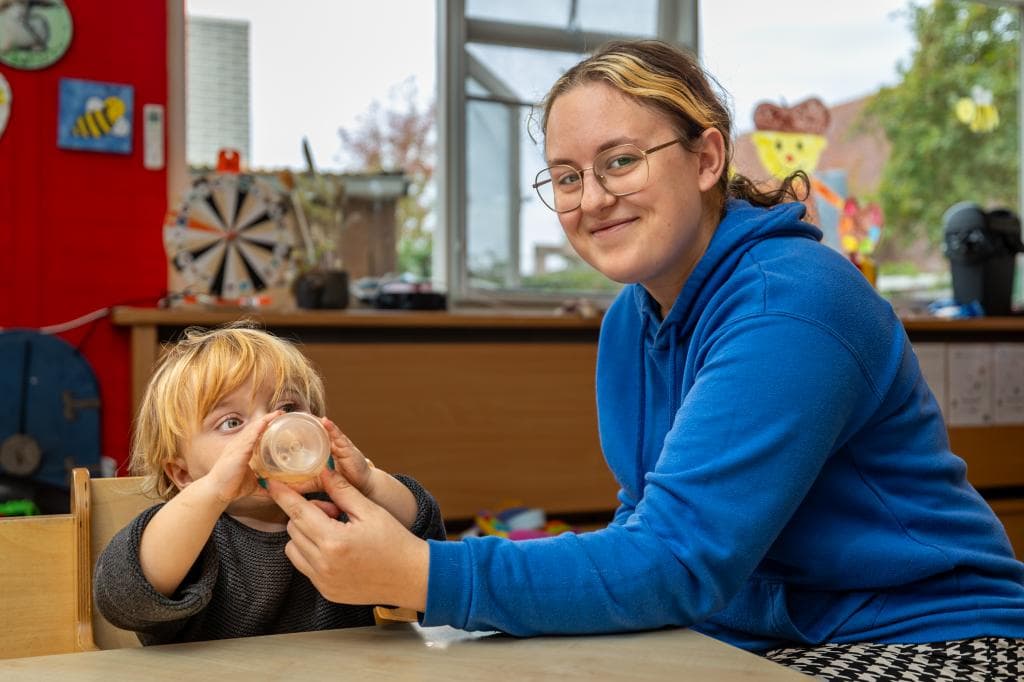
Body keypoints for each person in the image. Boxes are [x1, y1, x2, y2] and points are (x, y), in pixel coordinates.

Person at [267, 40, 1024, 679]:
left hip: (930, 634)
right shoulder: (631, 318)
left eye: (621, 161)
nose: (592, 199)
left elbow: (676, 561)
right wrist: (412, 552)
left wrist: (423, 573)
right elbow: (642, 530)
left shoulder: (791, 303)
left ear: (707, 158)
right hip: (760, 635)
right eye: (568, 177)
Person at [93, 323, 445, 645]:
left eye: (288, 408)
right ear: (184, 475)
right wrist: (214, 491)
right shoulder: (190, 537)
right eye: (232, 423)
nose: (268, 429)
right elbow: (123, 598)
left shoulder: (342, 517)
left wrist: (367, 483)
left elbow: (425, 540)